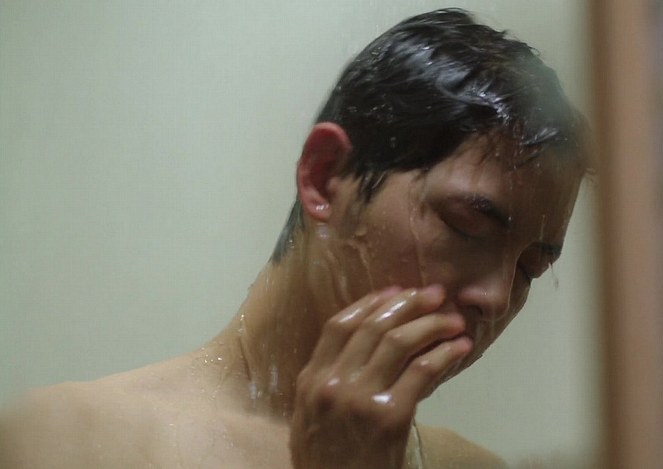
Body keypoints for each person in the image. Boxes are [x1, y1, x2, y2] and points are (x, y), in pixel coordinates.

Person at [0, 8, 590, 469]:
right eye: (468, 225)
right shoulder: (67, 441)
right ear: (325, 177)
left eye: (529, 270)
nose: (496, 298)